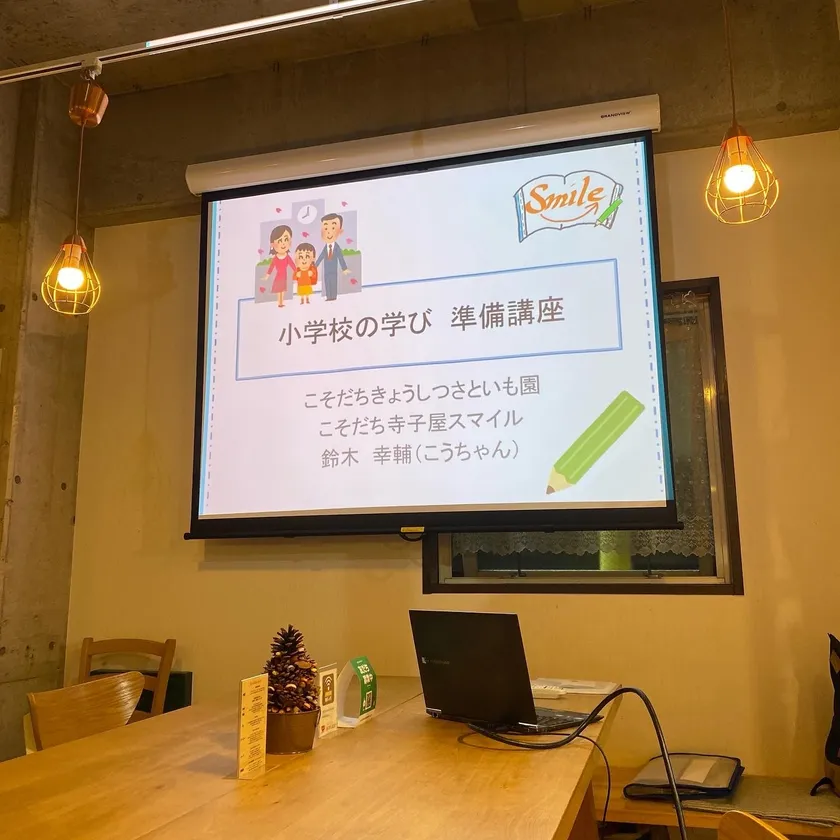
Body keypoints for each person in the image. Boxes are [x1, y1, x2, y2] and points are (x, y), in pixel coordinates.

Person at [315, 213, 350, 302]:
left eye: (333, 228)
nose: (329, 232)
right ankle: (328, 296)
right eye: (326, 229)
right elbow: (321, 257)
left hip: (333, 270)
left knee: (333, 282)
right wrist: (315, 266)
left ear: (340, 231)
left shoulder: (337, 247)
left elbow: (340, 258)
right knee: (327, 282)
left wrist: (344, 268)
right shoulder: (325, 248)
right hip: (326, 270)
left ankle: (333, 296)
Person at [262, 225, 294, 307]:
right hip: (278, 276)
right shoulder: (275, 258)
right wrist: (266, 276)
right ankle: (279, 302)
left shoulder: (287, 257)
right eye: (279, 241)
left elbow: (292, 265)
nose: (283, 243)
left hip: (284, 276)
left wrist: (297, 272)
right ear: (272, 245)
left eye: (286, 240)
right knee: (279, 289)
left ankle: (281, 302)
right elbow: (271, 268)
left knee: (282, 290)